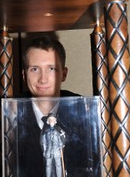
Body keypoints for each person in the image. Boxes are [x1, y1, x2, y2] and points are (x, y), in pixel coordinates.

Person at [15, 36, 101, 177]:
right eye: (35, 69)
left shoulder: (83, 112)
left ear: (64, 74)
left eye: (51, 69)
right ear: (24, 75)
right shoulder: (9, 114)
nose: (43, 79)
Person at [41, 113, 66, 177]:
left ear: (55, 121)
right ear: (48, 122)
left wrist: (61, 144)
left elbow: (62, 138)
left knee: (58, 165)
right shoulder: (46, 132)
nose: (51, 121)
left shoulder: (58, 131)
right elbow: (44, 142)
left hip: (56, 151)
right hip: (48, 151)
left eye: (53, 120)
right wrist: (44, 150)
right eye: (50, 120)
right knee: (48, 165)